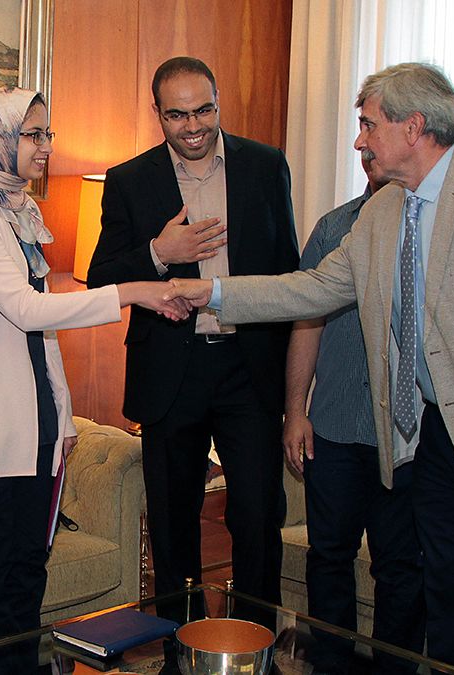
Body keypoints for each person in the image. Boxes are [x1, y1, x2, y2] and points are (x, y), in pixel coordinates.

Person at [166, 62, 454, 673]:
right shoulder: (382, 214)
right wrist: (212, 295)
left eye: (368, 125)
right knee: (452, 609)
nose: (358, 140)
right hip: (440, 447)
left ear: (414, 126)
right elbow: (315, 289)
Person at [0, 86, 187, 675]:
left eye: (47, 134)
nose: (46, 147)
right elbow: (24, 309)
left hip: (36, 421)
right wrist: (131, 291)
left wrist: (63, 409)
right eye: (32, 134)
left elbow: (40, 322)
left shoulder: (20, 206)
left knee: (28, 573)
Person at [86, 56, 299, 638]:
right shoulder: (130, 179)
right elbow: (101, 275)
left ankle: (253, 647)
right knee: (174, 523)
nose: (194, 125)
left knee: (257, 518)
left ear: (218, 100)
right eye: (177, 114)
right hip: (170, 371)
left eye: (204, 109)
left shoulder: (264, 165)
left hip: (248, 366)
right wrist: (159, 252)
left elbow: (288, 273)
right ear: (157, 114)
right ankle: (179, 651)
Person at [283, 156, 424, 672]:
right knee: (329, 560)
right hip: (335, 429)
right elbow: (306, 321)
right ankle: (331, 667)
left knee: (401, 568)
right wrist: (294, 411)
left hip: (407, 436)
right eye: (361, 139)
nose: (366, 149)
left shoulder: (429, 227)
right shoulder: (335, 229)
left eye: (375, 134)